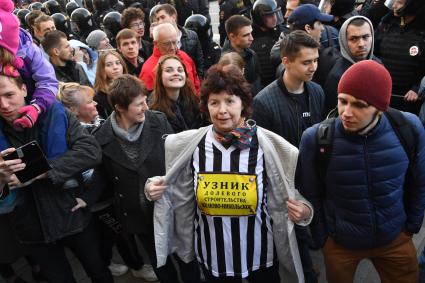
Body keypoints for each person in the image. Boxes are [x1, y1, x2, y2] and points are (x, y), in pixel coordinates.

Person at [146, 63, 313, 282]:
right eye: (214, 102)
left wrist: (305, 212)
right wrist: (152, 189)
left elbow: (293, 194)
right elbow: (175, 190)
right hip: (213, 255)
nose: (222, 110)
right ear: (206, 107)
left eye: (230, 101)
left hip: (260, 254)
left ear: (243, 104)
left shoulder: (270, 146)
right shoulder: (191, 145)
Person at [297, 60, 425, 283]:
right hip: (340, 244)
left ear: (380, 107)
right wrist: (323, 239)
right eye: (342, 101)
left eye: (359, 105)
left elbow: (419, 181)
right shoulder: (315, 139)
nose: (346, 112)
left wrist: (411, 226)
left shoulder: (409, 128)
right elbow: (311, 192)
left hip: (395, 238)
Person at [0, 65, 113, 283]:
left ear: (24, 89)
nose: (4, 105)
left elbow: (90, 151)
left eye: (9, 95)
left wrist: (37, 171)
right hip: (30, 227)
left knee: (98, 271)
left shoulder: (54, 114)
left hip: (70, 212)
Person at [91, 74, 189, 283]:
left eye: (145, 101)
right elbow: (102, 174)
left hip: (170, 206)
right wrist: (85, 197)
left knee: (186, 259)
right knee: (160, 264)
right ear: (119, 107)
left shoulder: (158, 120)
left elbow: (177, 159)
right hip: (139, 216)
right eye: (139, 104)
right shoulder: (102, 137)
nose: (146, 107)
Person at [252, 30, 323, 283]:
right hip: (285, 186)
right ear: (285, 62)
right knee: (298, 252)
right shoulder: (263, 102)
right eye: (306, 62)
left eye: (315, 60)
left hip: (313, 178)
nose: (313, 67)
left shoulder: (317, 92)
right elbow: (263, 155)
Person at [375, 0, 425, 114]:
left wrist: (417, 88)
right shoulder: (385, 24)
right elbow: (374, 54)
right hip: (383, 92)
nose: (394, 6)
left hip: (409, 99)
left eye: (400, 2)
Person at [324, 16, 380, 114]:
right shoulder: (337, 75)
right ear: (344, 41)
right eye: (354, 39)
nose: (361, 44)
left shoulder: (378, 66)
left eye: (366, 37)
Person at [139, 23, 200, 94]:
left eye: (174, 42)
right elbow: (147, 99)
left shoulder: (184, 56)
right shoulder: (148, 69)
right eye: (167, 44)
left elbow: (196, 83)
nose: (172, 47)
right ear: (156, 43)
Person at [287, 4, 335, 87]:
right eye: (319, 24)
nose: (323, 28)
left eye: (315, 60)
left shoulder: (318, 48)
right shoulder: (289, 66)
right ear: (308, 28)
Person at [151, 54, 201, 132]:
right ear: (160, 76)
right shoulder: (153, 111)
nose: (176, 73)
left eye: (180, 70)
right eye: (169, 70)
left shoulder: (194, 101)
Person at [154, 4, 205, 78]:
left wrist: (198, 82)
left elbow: (199, 62)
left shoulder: (192, 35)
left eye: (162, 17)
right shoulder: (158, 38)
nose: (160, 22)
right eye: (158, 19)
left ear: (173, 17)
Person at [222, 15, 262, 95]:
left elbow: (257, 81)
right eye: (246, 35)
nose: (251, 38)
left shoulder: (252, 54)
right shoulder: (225, 61)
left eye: (251, 33)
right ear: (232, 36)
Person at [250, 0, 284, 86]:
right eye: (269, 15)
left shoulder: (281, 31)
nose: (274, 18)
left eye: (275, 14)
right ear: (259, 18)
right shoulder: (251, 37)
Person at [94, 50, 128, 119]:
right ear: (102, 69)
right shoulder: (99, 97)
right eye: (109, 65)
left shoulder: (132, 86)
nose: (115, 67)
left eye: (118, 63)